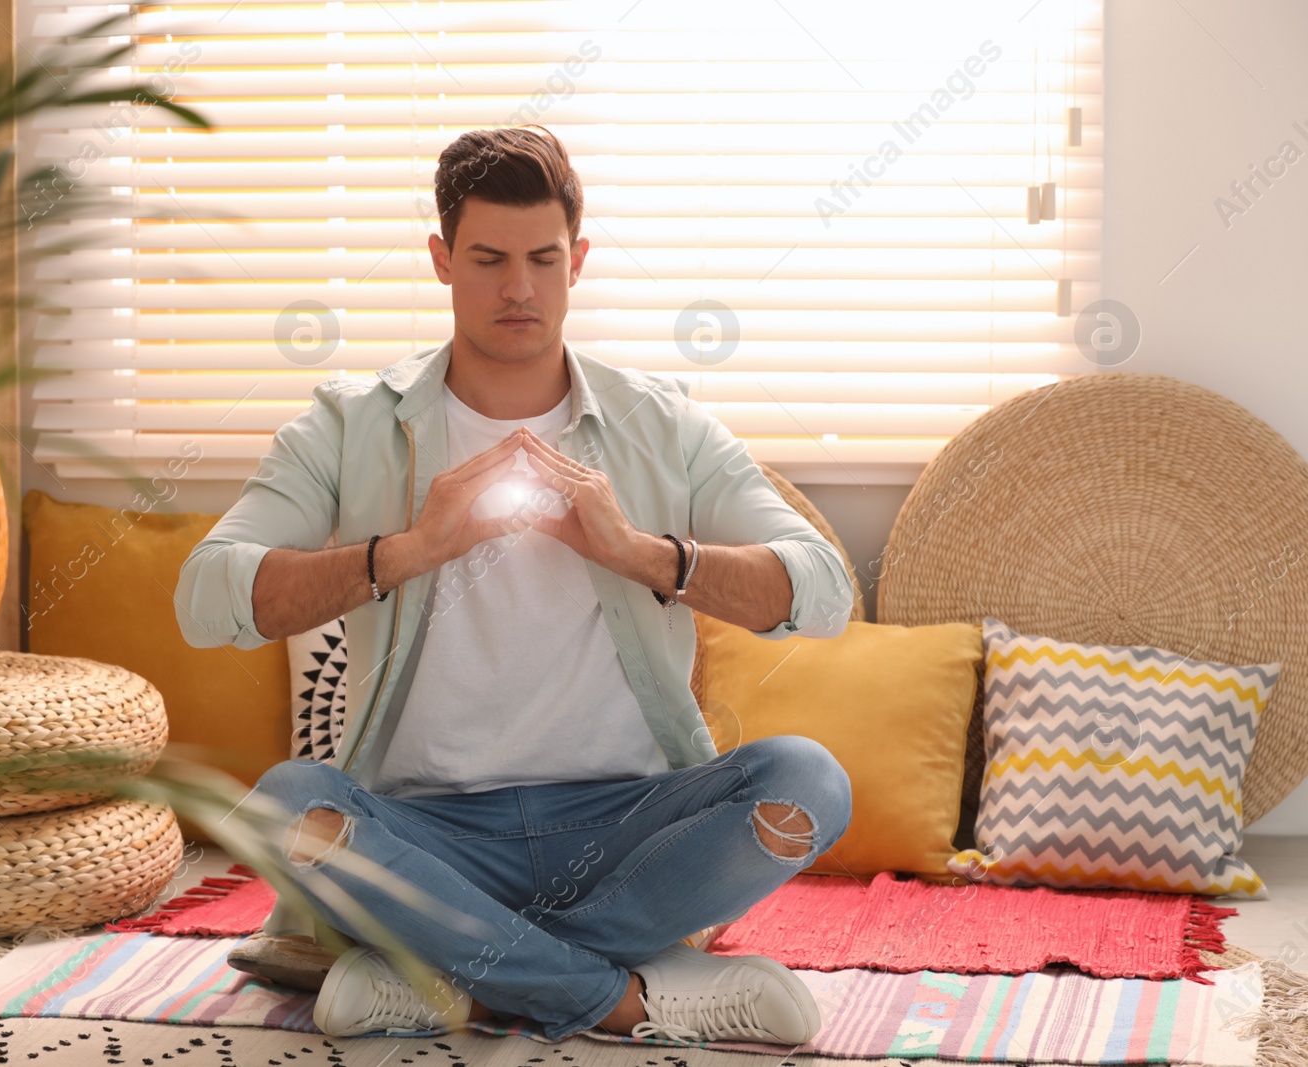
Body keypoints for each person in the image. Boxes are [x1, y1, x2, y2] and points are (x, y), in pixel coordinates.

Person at [174, 124, 855, 1047]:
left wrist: (645, 555)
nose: (519, 287)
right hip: (425, 836)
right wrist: (406, 549)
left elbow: (822, 589)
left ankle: (458, 979)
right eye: (488, 258)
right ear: (441, 259)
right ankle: (625, 998)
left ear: (578, 260)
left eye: (542, 258)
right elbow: (207, 596)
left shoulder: (663, 422)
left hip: (623, 831)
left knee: (808, 782)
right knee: (290, 804)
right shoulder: (349, 424)